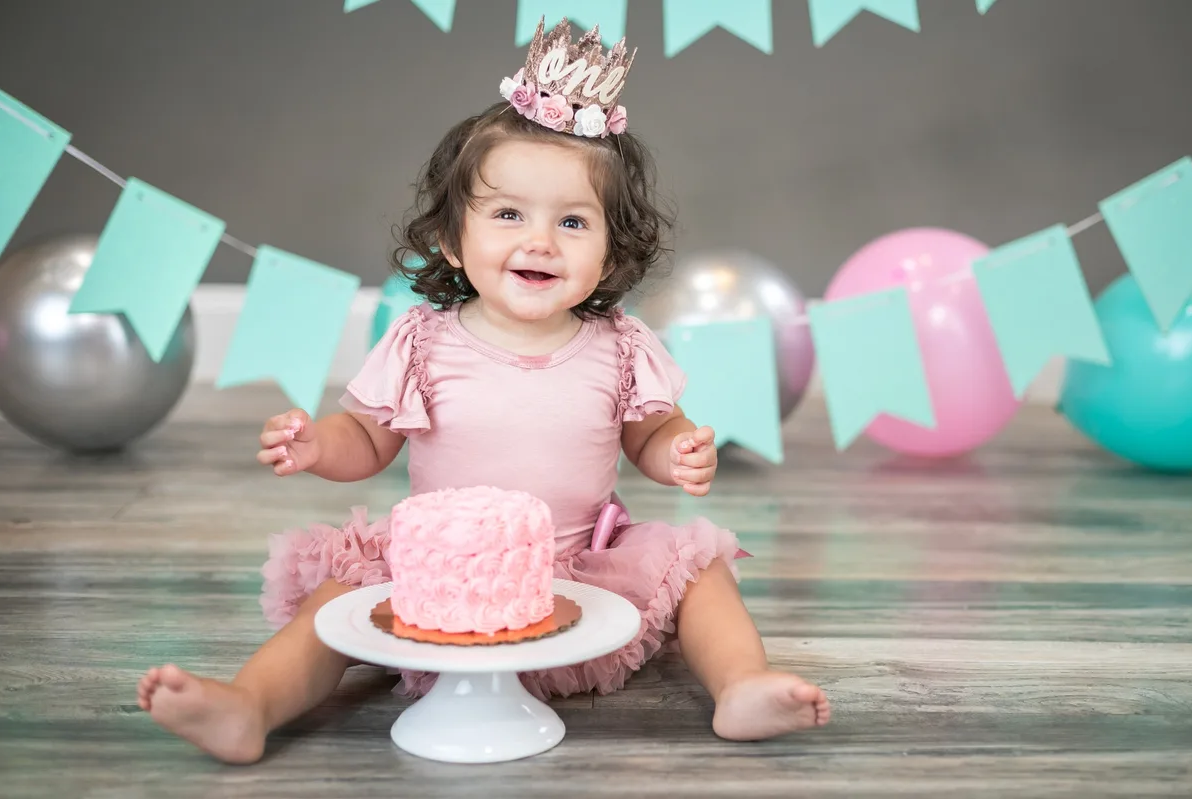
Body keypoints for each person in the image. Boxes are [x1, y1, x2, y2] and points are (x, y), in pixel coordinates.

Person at [137, 17, 830, 764]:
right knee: (332, 601)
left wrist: (678, 452)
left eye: (572, 221)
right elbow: (367, 438)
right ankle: (251, 705)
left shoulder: (620, 347)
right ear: (449, 238)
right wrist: (315, 445)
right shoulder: (422, 341)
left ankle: (741, 685)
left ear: (612, 248)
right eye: (507, 214)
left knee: (702, 572)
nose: (540, 241)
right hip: (435, 582)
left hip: (579, 576)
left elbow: (650, 432)